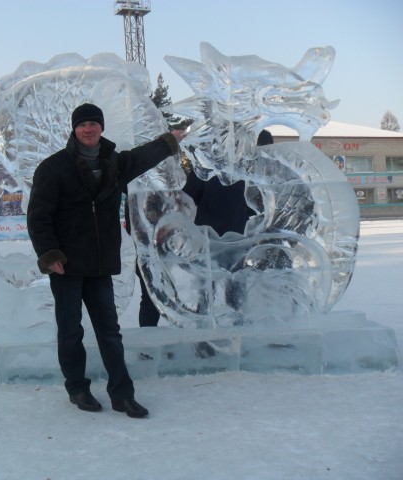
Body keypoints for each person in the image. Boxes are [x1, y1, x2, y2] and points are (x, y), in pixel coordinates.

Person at [27, 103, 185, 418]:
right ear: (74, 129)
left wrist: (169, 140)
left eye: (93, 124)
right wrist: (49, 253)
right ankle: (78, 387)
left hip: (99, 263)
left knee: (109, 331)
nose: (88, 129)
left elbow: (143, 156)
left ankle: (122, 394)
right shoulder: (53, 167)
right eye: (83, 124)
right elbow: (38, 215)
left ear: (101, 127)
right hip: (67, 265)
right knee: (70, 330)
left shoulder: (114, 163)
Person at [135, 129, 274, 326]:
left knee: (234, 297)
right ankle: (204, 338)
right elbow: (185, 201)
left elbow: (259, 208)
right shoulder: (207, 171)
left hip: (237, 245)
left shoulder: (249, 174)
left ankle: (236, 336)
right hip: (208, 245)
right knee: (206, 296)